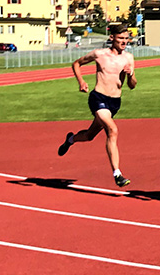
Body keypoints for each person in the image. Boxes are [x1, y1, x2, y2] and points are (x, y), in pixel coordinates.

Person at [57, 25, 138, 187]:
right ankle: (117, 174)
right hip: (98, 98)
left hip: (115, 102)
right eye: (121, 38)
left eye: (126, 38)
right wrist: (81, 81)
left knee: (89, 135)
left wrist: (130, 75)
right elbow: (76, 63)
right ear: (112, 38)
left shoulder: (128, 58)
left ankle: (70, 140)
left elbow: (132, 85)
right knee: (113, 130)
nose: (124, 41)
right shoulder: (99, 55)